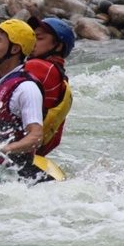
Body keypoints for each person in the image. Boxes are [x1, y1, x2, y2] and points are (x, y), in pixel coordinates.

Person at [0, 18, 49, 182]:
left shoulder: (27, 88)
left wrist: (4, 149)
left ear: (15, 49)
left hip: (15, 174)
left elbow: (36, 137)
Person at [22, 17, 75, 156]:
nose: (32, 42)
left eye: (39, 38)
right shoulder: (58, 74)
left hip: (18, 148)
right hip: (35, 152)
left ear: (58, 46)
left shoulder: (39, 67)